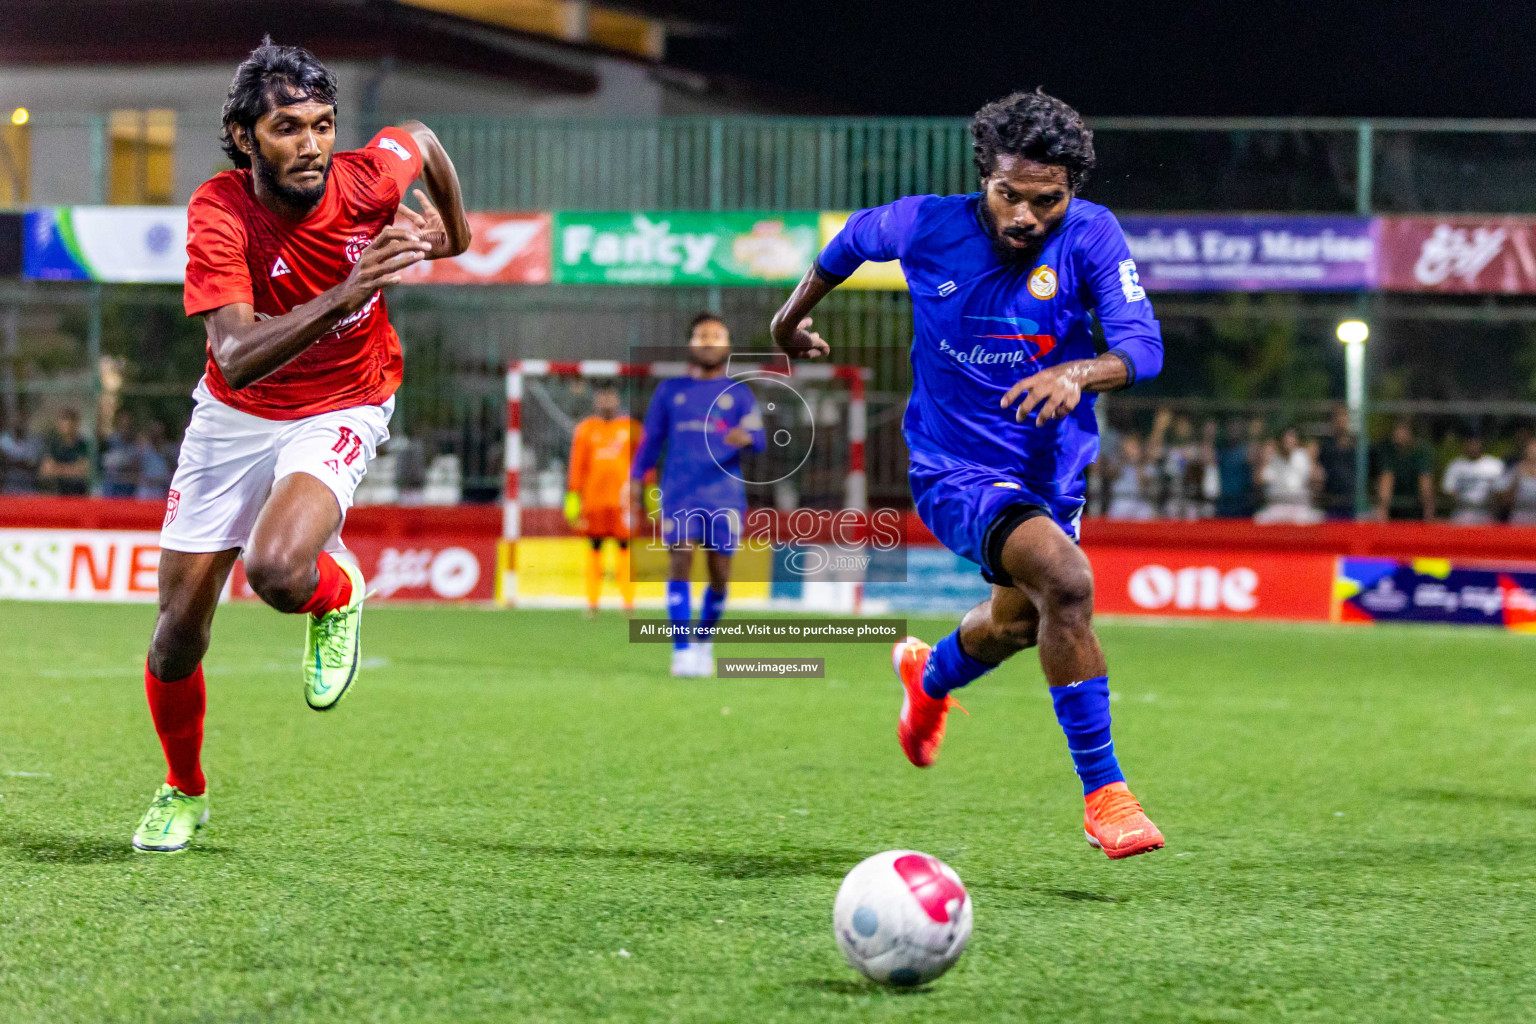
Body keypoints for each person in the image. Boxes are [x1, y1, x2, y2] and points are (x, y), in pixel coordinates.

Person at [770, 90, 1166, 859]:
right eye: (1008, 194)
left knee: (1020, 624)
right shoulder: (925, 223)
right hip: (953, 466)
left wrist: (1081, 373)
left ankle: (929, 680)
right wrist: (790, 319)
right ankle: (1106, 795)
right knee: (1069, 583)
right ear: (984, 175)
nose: (1024, 216)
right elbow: (847, 242)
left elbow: (1141, 347)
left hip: (1051, 472)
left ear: (1070, 193)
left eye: (1045, 201)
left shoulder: (1091, 236)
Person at [130, 37, 470, 855]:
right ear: (245, 137)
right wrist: (350, 289)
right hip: (235, 412)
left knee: (279, 572)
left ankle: (333, 592)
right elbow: (235, 356)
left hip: (346, 401)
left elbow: (418, 137)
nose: (312, 143)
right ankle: (183, 789)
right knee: (177, 632)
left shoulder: (363, 178)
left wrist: (451, 235)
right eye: (287, 127)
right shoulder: (218, 209)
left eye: (322, 123)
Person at [630, 313, 766, 677]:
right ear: (691, 344)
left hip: (724, 493)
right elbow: (651, 439)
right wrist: (633, 477)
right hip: (678, 491)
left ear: (727, 345)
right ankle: (682, 650)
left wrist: (749, 438)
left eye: (716, 335)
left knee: (720, 574)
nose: (708, 341)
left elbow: (761, 439)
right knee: (680, 560)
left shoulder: (739, 393)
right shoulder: (670, 391)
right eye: (701, 335)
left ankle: (704, 640)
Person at [565, 383, 640, 615]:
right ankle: (592, 603)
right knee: (594, 547)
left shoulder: (632, 428)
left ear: (618, 400)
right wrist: (572, 498)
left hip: (623, 501)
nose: (607, 401)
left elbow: (643, 463)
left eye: (611, 397)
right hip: (594, 501)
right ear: (596, 400)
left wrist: (649, 493)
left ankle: (628, 603)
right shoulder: (586, 429)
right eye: (603, 397)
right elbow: (577, 466)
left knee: (625, 548)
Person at [1255, 428, 1323, 525]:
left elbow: (1318, 480)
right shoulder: (1272, 458)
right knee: (1260, 519)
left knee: (1317, 519)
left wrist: (1312, 459)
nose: (1288, 441)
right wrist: (1265, 459)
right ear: (1280, 441)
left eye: (1291, 438)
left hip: (1300, 507)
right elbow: (1259, 480)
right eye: (1286, 438)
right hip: (1276, 506)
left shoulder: (1303, 456)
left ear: (1296, 441)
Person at [1374, 418, 1436, 521]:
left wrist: (1428, 511)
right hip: (1394, 509)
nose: (1397, 434)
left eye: (1402, 430)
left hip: (1416, 509)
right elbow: (1386, 480)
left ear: (1410, 433)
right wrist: (1383, 510)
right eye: (1396, 430)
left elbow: (1425, 483)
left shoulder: (1421, 452)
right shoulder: (1388, 451)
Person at [1441, 435, 1505, 525]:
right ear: (1464, 445)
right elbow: (1448, 490)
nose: (1473, 447)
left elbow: (1501, 491)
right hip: (1463, 512)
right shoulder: (1455, 465)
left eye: (1475, 443)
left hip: (1487, 512)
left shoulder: (1494, 464)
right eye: (1470, 443)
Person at [1317, 405, 1359, 520]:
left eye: (1344, 416)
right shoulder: (1325, 447)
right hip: (1331, 503)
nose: (1340, 420)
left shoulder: (1359, 448)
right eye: (1337, 417)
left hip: (1353, 504)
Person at [1103, 433, 1157, 520]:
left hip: (1139, 501)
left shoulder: (1146, 465)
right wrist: (1123, 460)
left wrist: (1137, 463)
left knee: (1148, 512)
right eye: (1129, 447)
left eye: (1134, 447)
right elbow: (1110, 474)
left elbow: (1145, 483)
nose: (1131, 450)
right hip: (1120, 500)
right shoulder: (1117, 462)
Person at [38, 409, 91, 496]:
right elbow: (46, 471)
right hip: (56, 493)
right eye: (64, 422)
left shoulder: (84, 445)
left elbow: (84, 471)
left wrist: (57, 469)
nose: (68, 427)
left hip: (79, 494)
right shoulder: (52, 445)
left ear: (77, 424)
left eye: (71, 423)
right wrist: (72, 469)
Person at [1502, 438, 1536, 525]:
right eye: (1531, 450)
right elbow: (1506, 496)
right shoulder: (1517, 469)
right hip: (1519, 514)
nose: (1533, 453)